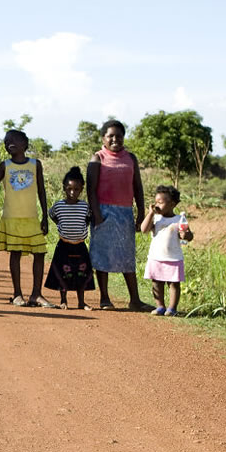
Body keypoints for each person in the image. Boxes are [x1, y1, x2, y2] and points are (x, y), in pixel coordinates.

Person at [0, 129, 53, 307]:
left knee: (39, 253)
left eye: (14, 139)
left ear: (25, 143)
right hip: (12, 219)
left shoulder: (35, 164)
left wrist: (45, 218)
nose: (9, 141)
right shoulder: (5, 166)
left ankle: (37, 294)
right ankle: (17, 294)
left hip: (32, 218)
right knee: (15, 254)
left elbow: (42, 191)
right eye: (6, 140)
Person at [86, 120, 151, 311]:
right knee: (102, 256)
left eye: (119, 136)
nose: (115, 139)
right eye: (110, 136)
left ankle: (135, 300)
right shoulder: (97, 158)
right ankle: (105, 298)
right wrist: (97, 214)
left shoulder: (131, 158)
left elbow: (137, 187)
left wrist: (140, 212)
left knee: (127, 257)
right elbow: (91, 189)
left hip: (124, 213)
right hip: (103, 212)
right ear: (103, 138)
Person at [43, 166, 95, 310]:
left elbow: (87, 219)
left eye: (76, 189)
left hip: (80, 245)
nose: (72, 192)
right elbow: (52, 215)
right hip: (64, 245)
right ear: (64, 188)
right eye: (69, 189)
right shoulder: (59, 206)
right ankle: (63, 300)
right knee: (62, 273)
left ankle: (81, 302)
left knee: (81, 273)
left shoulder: (85, 206)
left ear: (81, 189)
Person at [140, 184, 193, 316]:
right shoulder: (156, 218)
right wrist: (150, 213)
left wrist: (185, 235)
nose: (157, 205)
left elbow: (188, 236)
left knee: (173, 284)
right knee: (156, 283)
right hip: (156, 257)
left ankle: (172, 308)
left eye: (161, 202)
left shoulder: (179, 219)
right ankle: (160, 306)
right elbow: (144, 229)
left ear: (172, 204)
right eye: (155, 202)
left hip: (173, 257)